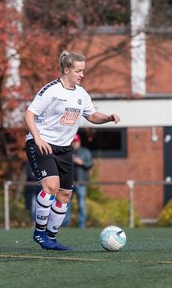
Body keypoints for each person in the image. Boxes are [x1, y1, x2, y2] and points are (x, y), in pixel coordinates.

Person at [24, 50, 120, 251]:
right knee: (51, 187)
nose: (82, 75)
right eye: (78, 71)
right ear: (66, 70)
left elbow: (92, 115)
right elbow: (29, 114)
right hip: (42, 143)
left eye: (83, 71)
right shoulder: (50, 91)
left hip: (64, 148)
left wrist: (108, 118)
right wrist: (38, 138)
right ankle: (40, 232)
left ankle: (51, 237)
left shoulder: (81, 93)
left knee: (65, 195)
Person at [64, 134, 93, 228]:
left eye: (76, 142)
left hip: (81, 183)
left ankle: (82, 225)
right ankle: (66, 224)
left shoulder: (85, 152)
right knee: (66, 205)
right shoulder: (68, 152)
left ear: (79, 142)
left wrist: (82, 162)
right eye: (73, 142)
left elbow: (90, 164)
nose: (74, 144)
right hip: (70, 183)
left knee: (81, 204)